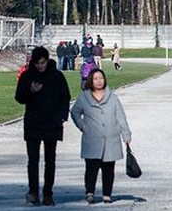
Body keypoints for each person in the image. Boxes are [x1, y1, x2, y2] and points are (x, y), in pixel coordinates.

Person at [15, 46, 71, 206]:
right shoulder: (27, 76)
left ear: (47, 61)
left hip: (52, 123)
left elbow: (65, 97)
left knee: (50, 160)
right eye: (37, 63)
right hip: (33, 122)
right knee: (33, 160)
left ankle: (48, 193)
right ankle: (33, 191)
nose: (40, 66)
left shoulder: (57, 76)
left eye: (42, 63)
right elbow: (19, 97)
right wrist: (30, 91)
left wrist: (62, 116)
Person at [70, 69, 132, 204]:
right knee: (91, 168)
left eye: (101, 78)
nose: (99, 81)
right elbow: (74, 112)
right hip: (92, 138)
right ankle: (90, 192)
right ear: (91, 81)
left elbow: (121, 117)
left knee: (108, 168)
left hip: (111, 137)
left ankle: (107, 194)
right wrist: (81, 125)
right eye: (96, 79)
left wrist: (126, 134)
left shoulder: (113, 97)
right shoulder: (84, 97)